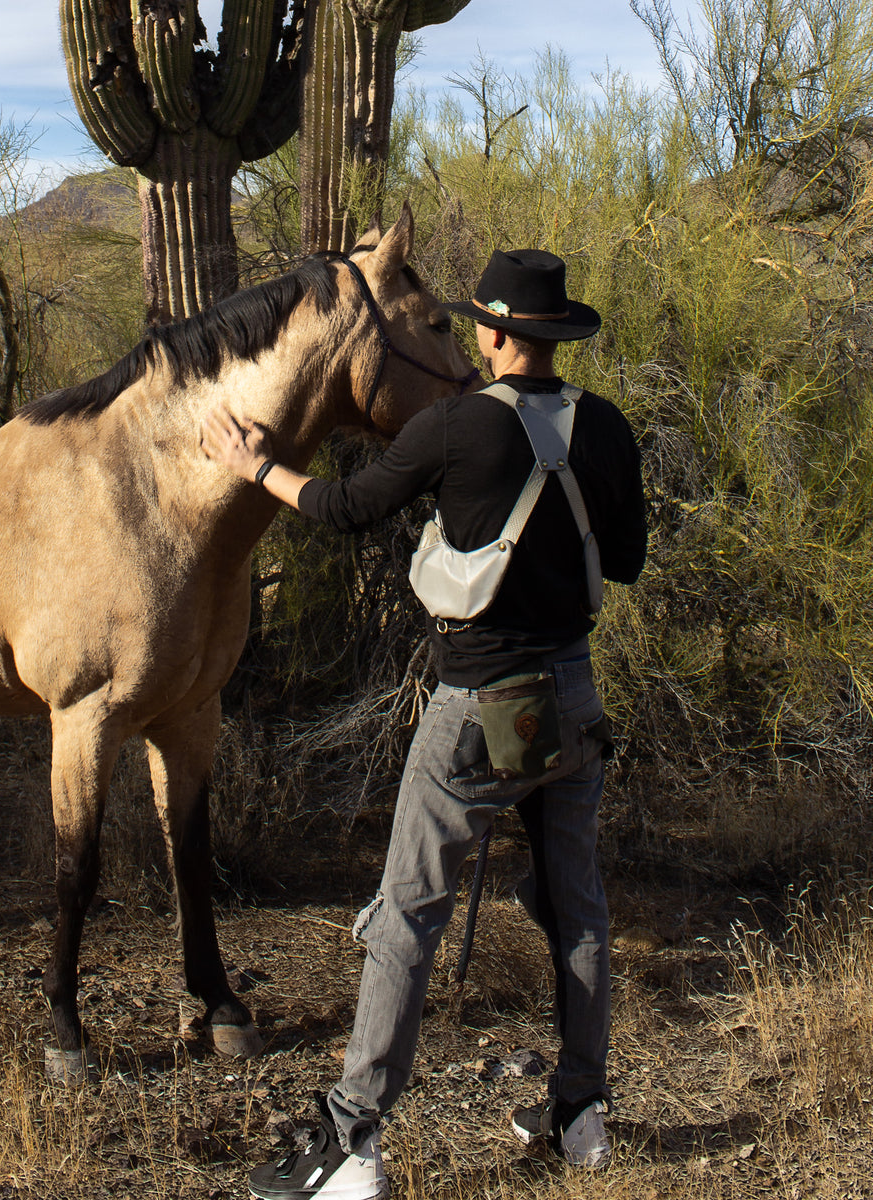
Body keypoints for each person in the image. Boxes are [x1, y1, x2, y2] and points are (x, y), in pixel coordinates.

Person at [200, 248, 647, 1199]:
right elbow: (635, 559)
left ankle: (352, 1140)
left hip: (478, 712)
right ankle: (581, 1114)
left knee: (407, 915)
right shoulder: (605, 429)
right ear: (554, 336)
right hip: (573, 699)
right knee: (580, 910)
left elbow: (347, 508)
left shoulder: (454, 429)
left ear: (490, 335)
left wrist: (258, 465)